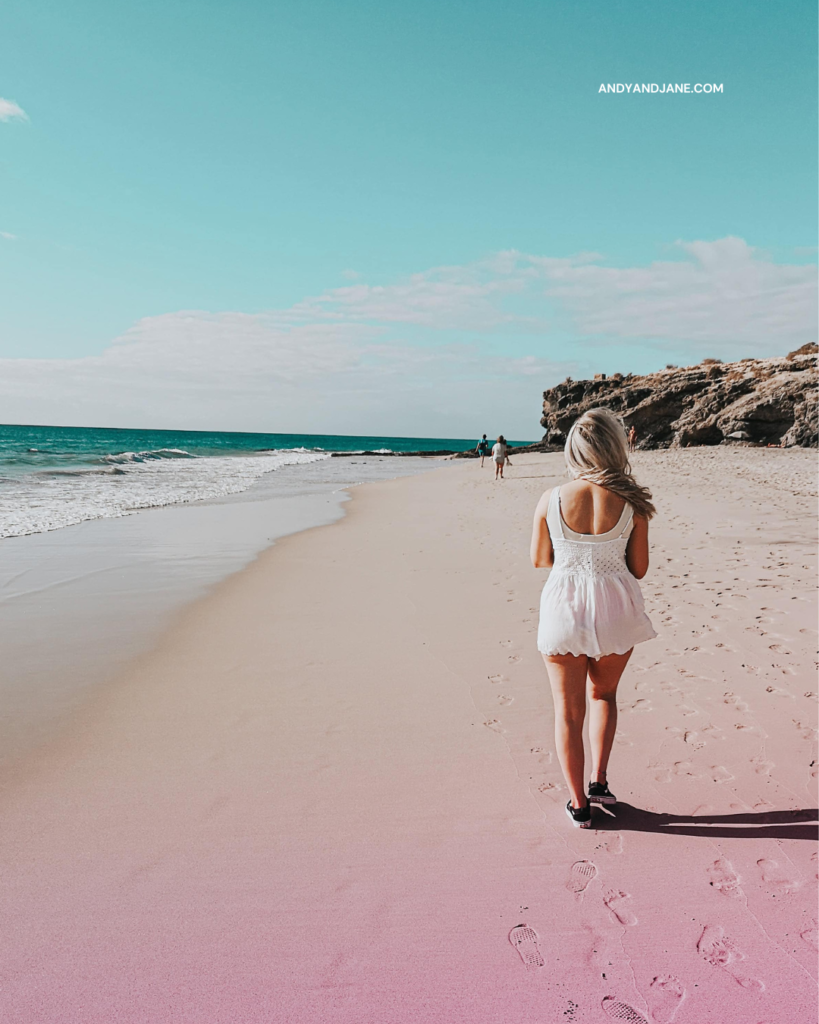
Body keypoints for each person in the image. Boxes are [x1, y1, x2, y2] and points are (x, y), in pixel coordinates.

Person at [530, 409, 657, 828]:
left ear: (574, 449)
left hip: (564, 607)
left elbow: (540, 559)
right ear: (616, 447)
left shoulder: (551, 498)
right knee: (604, 696)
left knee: (567, 713)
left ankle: (579, 805)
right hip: (614, 608)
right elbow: (638, 568)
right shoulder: (633, 503)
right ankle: (599, 781)